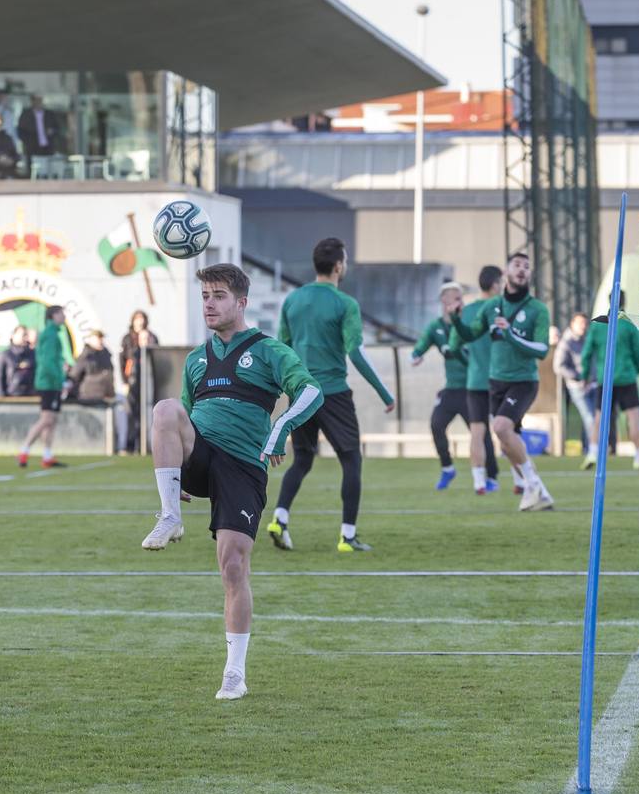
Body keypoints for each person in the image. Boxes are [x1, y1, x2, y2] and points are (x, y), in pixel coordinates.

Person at [139, 263, 321, 700]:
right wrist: (177, 471)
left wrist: (279, 430)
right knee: (164, 409)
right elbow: (178, 418)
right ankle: (169, 514)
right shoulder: (196, 359)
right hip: (202, 451)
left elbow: (311, 391)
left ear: (241, 302)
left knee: (233, 566)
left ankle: (234, 675)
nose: (209, 304)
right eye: (204, 296)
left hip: (243, 466)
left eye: (218, 296)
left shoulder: (268, 350)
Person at [270, 238, 396, 552]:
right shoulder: (346, 304)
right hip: (333, 394)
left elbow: (281, 348)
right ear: (339, 265)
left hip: (301, 393)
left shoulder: (293, 300)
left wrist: (280, 388)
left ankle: (280, 518)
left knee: (302, 460)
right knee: (351, 459)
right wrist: (384, 393)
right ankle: (347, 536)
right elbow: (355, 353)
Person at [453, 252, 554, 511]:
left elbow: (542, 349)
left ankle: (534, 484)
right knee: (507, 440)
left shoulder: (537, 309)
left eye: (527, 266)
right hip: (496, 382)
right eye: (517, 265)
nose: (522, 270)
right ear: (505, 273)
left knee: (499, 427)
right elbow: (470, 334)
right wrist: (455, 318)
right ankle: (535, 490)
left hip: (523, 381)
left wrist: (509, 335)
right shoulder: (491, 307)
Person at [412, 282, 486, 490]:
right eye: (453, 297)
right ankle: (447, 468)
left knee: (481, 433)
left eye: (460, 297)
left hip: (473, 387)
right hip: (451, 389)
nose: (458, 301)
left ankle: (490, 477)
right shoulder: (435, 327)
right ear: (444, 301)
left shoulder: (469, 324)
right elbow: (421, 345)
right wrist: (415, 356)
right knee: (436, 424)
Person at [449, 266, 503, 494]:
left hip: (475, 381)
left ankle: (478, 481)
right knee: (508, 430)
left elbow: (454, 346)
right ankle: (523, 482)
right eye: (501, 282)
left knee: (477, 432)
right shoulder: (501, 308)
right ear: (494, 285)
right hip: (501, 379)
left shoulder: (468, 311)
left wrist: (469, 363)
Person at [581, 298, 639, 468]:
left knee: (599, 417)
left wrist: (585, 376)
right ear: (624, 301)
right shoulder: (629, 325)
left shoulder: (597, 325)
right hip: (626, 377)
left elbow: (586, 353)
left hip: (605, 377)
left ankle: (592, 453)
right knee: (633, 417)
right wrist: (636, 370)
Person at [18, 306, 69, 468]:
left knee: (51, 420)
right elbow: (48, 362)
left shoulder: (52, 333)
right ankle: (24, 449)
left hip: (50, 381)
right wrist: (60, 380)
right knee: (46, 419)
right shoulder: (50, 335)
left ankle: (47, 455)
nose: (64, 316)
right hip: (49, 382)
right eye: (61, 313)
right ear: (53, 315)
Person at [555, 312, 598, 464]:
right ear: (572, 324)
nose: (583, 326)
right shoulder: (566, 342)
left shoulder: (589, 338)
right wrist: (579, 377)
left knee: (595, 417)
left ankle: (589, 447)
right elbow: (559, 366)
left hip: (593, 384)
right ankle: (592, 451)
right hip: (577, 387)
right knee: (589, 417)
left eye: (585, 323)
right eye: (580, 323)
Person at [120, 310, 159, 453]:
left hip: (148, 382)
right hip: (133, 383)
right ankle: (131, 446)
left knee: (149, 414)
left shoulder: (152, 337)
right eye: (137, 319)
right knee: (131, 414)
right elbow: (122, 362)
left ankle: (148, 445)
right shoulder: (127, 340)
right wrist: (125, 382)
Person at [68, 330, 116, 405]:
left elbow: (110, 374)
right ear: (91, 339)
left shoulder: (106, 354)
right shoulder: (86, 356)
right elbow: (74, 375)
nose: (100, 340)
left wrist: (111, 393)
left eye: (101, 338)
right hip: (88, 397)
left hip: (105, 397)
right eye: (98, 338)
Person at [17, 94, 64, 161]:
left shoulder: (49, 114)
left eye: (40, 100)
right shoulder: (26, 114)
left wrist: (52, 131)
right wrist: (27, 141)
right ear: (32, 101)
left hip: (48, 147)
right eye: (36, 100)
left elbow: (58, 128)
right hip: (32, 148)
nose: (38, 102)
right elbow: (20, 131)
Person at [0, 326, 35, 397]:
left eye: (26, 335)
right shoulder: (4, 355)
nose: (25, 338)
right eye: (23, 335)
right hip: (11, 396)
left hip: (30, 396)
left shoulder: (32, 354)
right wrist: (0, 397)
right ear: (13, 336)